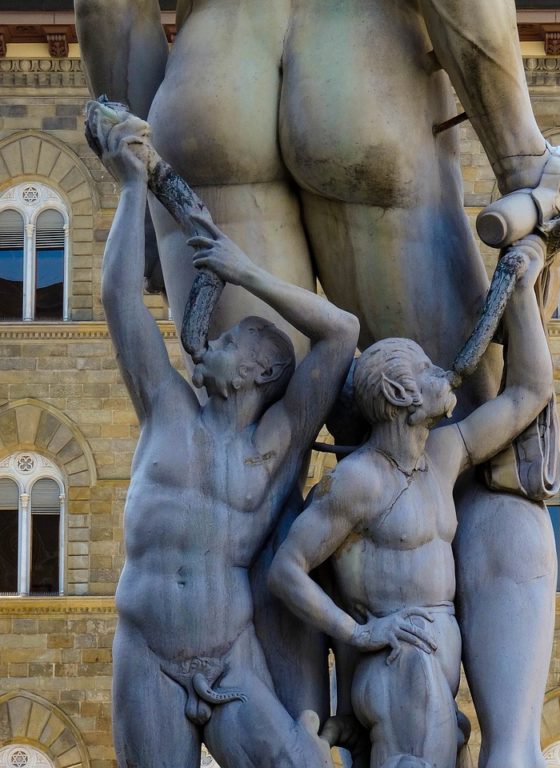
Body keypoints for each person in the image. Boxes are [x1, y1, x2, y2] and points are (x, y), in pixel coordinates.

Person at [75, 3, 560, 764]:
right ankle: (511, 749)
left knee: (262, 476)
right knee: (478, 462)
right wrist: (520, 160)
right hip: (359, 67)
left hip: (211, 78)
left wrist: (140, 170)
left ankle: (304, 739)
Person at [91, 106, 359, 768]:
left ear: (259, 371)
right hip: (148, 651)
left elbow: (343, 334)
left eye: (232, 340)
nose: (210, 339)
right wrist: (131, 186)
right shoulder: (166, 407)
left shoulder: (278, 447)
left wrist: (245, 272)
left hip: (228, 657)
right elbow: (120, 302)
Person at [268, 234, 552, 768]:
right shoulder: (359, 481)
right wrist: (359, 632)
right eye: (426, 370)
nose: (442, 373)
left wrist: (522, 294)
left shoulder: (441, 456)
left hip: (437, 665)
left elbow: (527, 396)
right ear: (400, 396)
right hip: (401, 669)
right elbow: (286, 569)